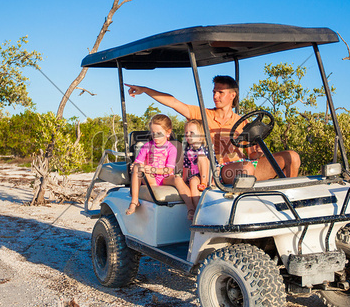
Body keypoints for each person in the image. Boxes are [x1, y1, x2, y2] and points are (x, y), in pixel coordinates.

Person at [125, 76, 300, 184]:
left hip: (245, 165)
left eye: (220, 92)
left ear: (233, 95)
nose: (215, 96)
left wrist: (258, 152)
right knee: (246, 169)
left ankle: (290, 200)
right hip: (219, 169)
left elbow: (252, 155)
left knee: (291, 156)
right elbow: (174, 102)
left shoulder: (242, 121)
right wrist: (145, 90)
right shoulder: (202, 114)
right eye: (214, 91)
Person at [126, 114, 181, 215]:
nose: (155, 136)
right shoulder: (147, 146)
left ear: (168, 132)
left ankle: (191, 205)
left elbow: (168, 170)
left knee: (178, 180)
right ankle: (134, 201)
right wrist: (134, 165)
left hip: (164, 178)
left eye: (159, 133)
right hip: (150, 178)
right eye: (153, 133)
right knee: (137, 167)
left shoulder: (171, 149)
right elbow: (138, 162)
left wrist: (150, 169)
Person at [174, 119, 210, 220]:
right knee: (193, 182)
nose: (188, 135)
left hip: (207, 175)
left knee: (201, 157)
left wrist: (213, 179)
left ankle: (204, 183)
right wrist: (184, 179)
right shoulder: (188, 150)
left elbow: (214, 164)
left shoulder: (206, 148)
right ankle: (198, 210)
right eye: (186, 133)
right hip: (195, 176)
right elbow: (186, 166)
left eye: (192, 133)